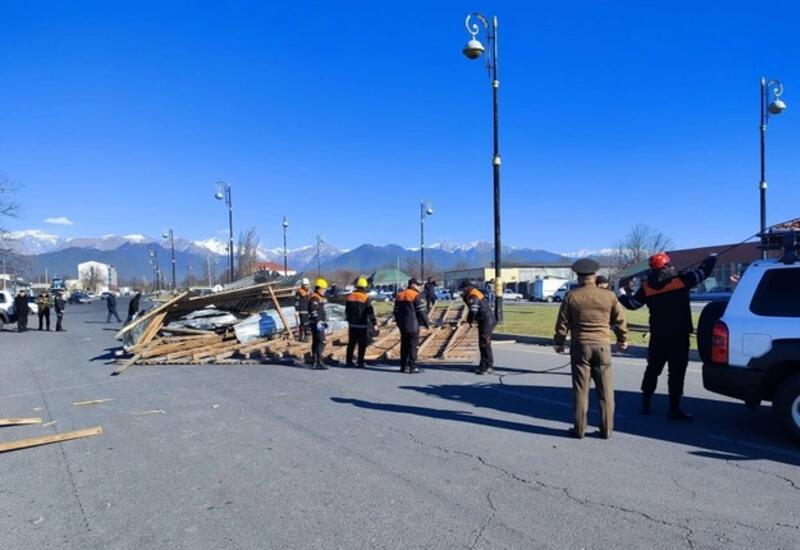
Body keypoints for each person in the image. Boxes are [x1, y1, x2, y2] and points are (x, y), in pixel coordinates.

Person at [620, 252, 717, 420]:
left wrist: (622, 293)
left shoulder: (647, 287)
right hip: (679, 335)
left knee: (652, 369)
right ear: (667, 265)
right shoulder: (681, 280)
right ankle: (674, 409)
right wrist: (711, 258)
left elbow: (632, 304)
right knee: (677, 373)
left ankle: (646, 404)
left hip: (658, 335)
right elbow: (703, 272)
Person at [554, 258, 628, 439]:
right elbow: (620, 320)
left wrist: (559, 342)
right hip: (602, 345)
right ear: (595, 276)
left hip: (580, 345)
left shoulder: (572, 296)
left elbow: (562, 323)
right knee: (606, 390)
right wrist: (622, 339)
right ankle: (607, 429)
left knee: (580, 389)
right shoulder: (609, 296)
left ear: (578, 277)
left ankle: (579, 429)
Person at [393, 278, 430, 373]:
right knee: (413, 346)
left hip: (403, 326)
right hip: (413, 325)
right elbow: (421, 311)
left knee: (404, 345)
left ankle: (403, 366)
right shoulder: (415, 295)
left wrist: (399, 324)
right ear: (413, 285)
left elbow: (395, 312)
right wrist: (427, 324)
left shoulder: (399, 295)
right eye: (418, 285)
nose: (420, 287)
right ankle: (413, 367)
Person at [459, 280, 497, 374]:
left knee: (485, 343)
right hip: (483, 320)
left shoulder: (474, 295)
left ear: (467, 288)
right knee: (481, 344)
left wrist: (470, 321)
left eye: (463, 289)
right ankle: (483, 365)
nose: (462, 291)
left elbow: (473, 310)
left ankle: (489, 366)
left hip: (487, 321)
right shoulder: (471, 294)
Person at [345, 277, 377, 368]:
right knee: (362, 344)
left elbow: (347, 311)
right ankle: (360, 362)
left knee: (351, 343)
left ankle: (349, 361)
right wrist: (374, 323)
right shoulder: (365, 297)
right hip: (362, 324)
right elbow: (370, 312)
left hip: (352, 324)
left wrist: (349, 320)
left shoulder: (349, 297)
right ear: (365, 287)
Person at [308, 278, 329, 369]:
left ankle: (315, 361)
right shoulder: (314, 298)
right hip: (316, 323)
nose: (324, 291)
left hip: (319, 322)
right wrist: (319, 321)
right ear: (318, 288)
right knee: (322, 341)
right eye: (323, 289)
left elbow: (321, 308)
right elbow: (313, 311)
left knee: (316, 341)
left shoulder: (318, 297)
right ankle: (319, 361)